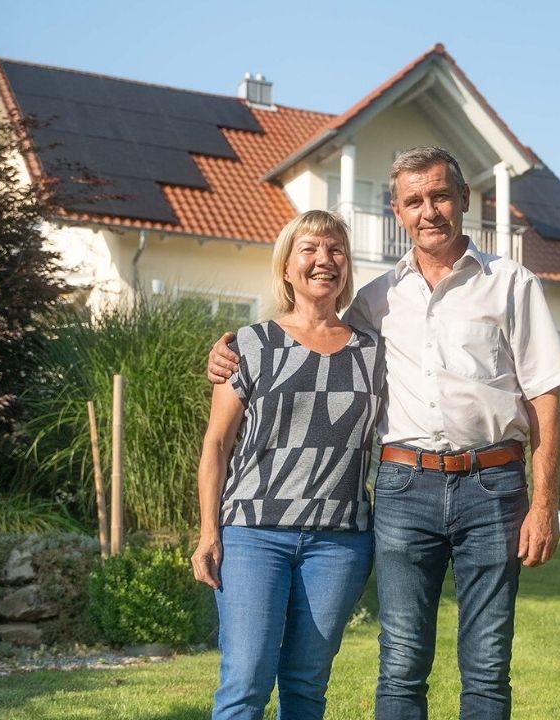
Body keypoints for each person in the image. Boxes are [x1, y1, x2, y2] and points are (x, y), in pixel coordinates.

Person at [206, 146, 560, 720]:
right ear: (398, 212)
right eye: (413, 201)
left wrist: (544, 504)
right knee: (400, 663)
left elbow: (546, 400)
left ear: (464, 200)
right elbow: (305, 336)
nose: (429, 211)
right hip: (405, 489)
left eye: (440, 196)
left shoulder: (511, 283)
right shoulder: (377, 300)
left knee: (486, 665)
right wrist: (229, 352)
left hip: (495, 487)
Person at [193, 209, 383, 720]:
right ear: (287, 267)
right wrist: (209, 533)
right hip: (254, 534)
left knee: (306, 686)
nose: (324, 260)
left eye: (336, 249)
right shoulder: (248, 345)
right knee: (246, 682)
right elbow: (215, 445)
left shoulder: (375, 352)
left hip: (339, 541)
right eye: (310, 249)